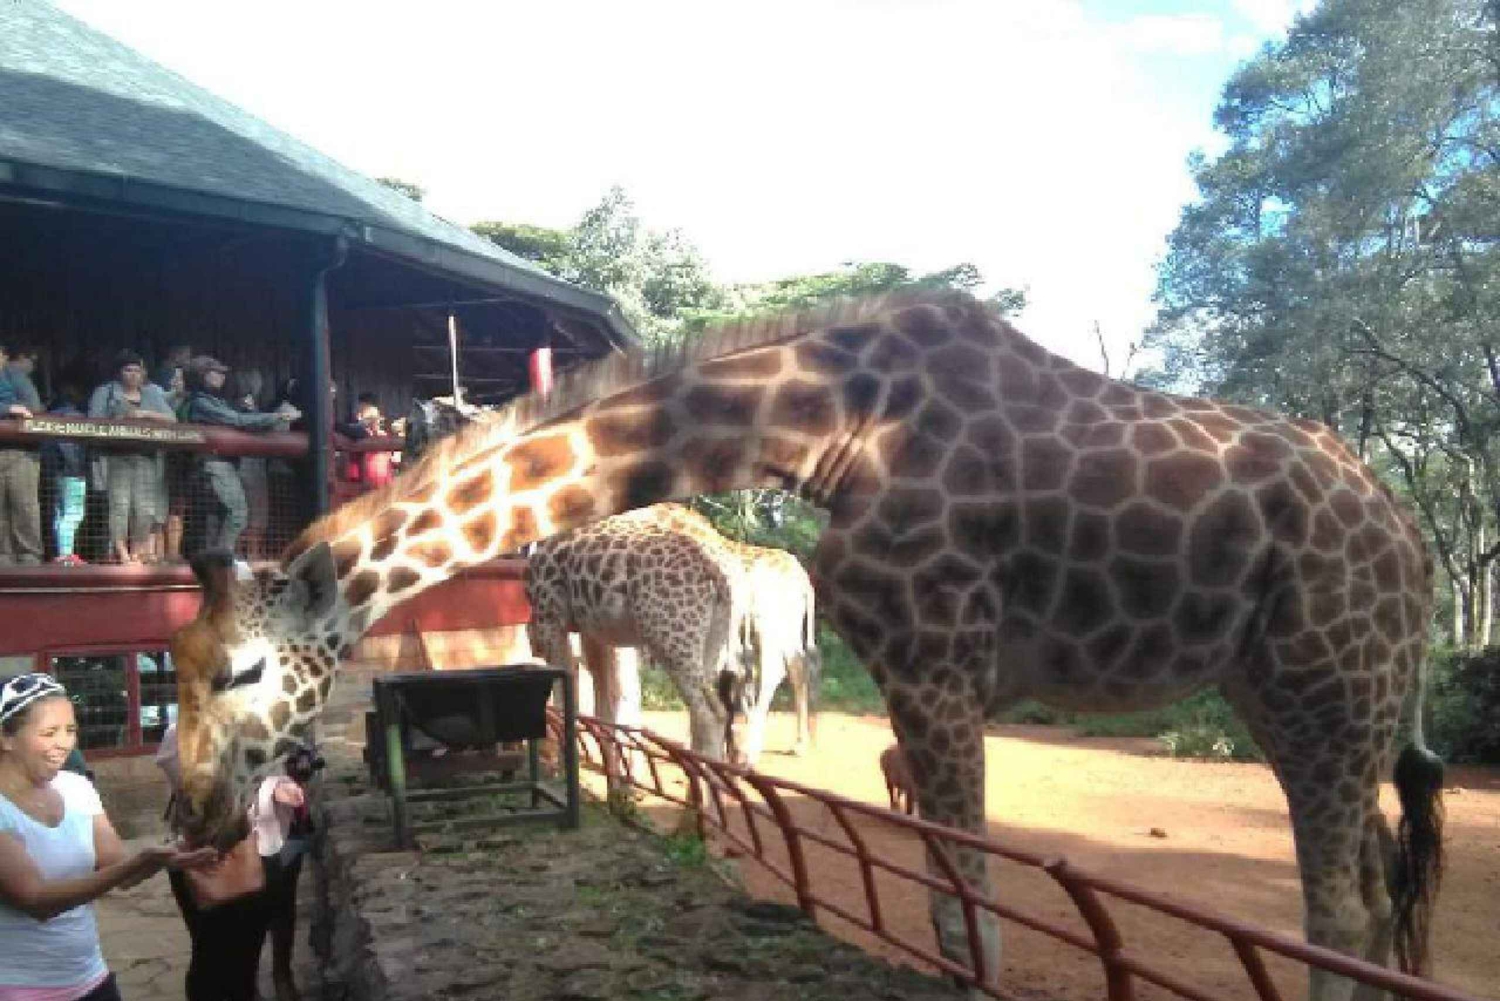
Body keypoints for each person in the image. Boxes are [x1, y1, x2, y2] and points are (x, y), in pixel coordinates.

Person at [0, 673, 213, 1001]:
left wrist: (171, 857)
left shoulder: (78, 789)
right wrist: (143, 860)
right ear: (6, 738)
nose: (64, 743)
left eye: (70, 731)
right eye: (49, 733)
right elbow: (37, 901)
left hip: (91, 978)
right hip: (19, 989)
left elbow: (117, 871)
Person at [156, 724, 311, 1001]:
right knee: (212, 949)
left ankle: (271, 978)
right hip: (206, 854)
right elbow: (193, 788)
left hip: (264, 843)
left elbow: (275, 767)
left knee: (261, 930)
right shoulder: (185, 729)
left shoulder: (265, 722)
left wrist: (280, 786)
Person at [181, 357, 297, 556]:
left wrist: (248, 411)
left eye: (222, 372)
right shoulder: (200, 402)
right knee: (237, 513)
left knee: (217, 516)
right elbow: (235, 420)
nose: (221, 376)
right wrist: (278, 417)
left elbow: (237, 416)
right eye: (215, 372)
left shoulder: (216, 401)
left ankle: (216, 558)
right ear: (202, 376)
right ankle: (223, 558)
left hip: (221, 464)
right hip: (213, 464)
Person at [88, 350, 176, 564]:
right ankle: (121, 552)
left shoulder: (151, 394)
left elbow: (171, 419)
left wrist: (144, 414)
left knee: (145, 509)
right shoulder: (105, 392)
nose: (133, 375)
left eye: (137, 370)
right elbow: (93, 421)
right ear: (119, 372)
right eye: (128, 370)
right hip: (117, 457)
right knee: (120, 506)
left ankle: (138, 550)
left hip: (146, 456)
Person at [0, 340, 42, 567]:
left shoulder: (13, 375)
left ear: (5, 356)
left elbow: (33, 408)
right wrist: (8, 409)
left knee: (23, 504)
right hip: (11, 450)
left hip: (21, 451)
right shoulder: (15, 373)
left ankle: (29, 556)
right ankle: (5, 557)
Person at [42, 381, 90, 565]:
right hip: (72, 472)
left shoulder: (48, 418)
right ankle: (66, 555)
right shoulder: (77, 417)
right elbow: (71, 449)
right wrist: (77, 470)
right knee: (73, 513)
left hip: (54, 473)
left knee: (59, 513)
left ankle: (62, 552)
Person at [228, 371, 272, 560]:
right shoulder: (234, 409)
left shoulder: (257, 409)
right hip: (242, 466)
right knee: (243, 512)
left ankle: (249, 554)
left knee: (255, 513)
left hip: (254, 467)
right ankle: (241, 554)